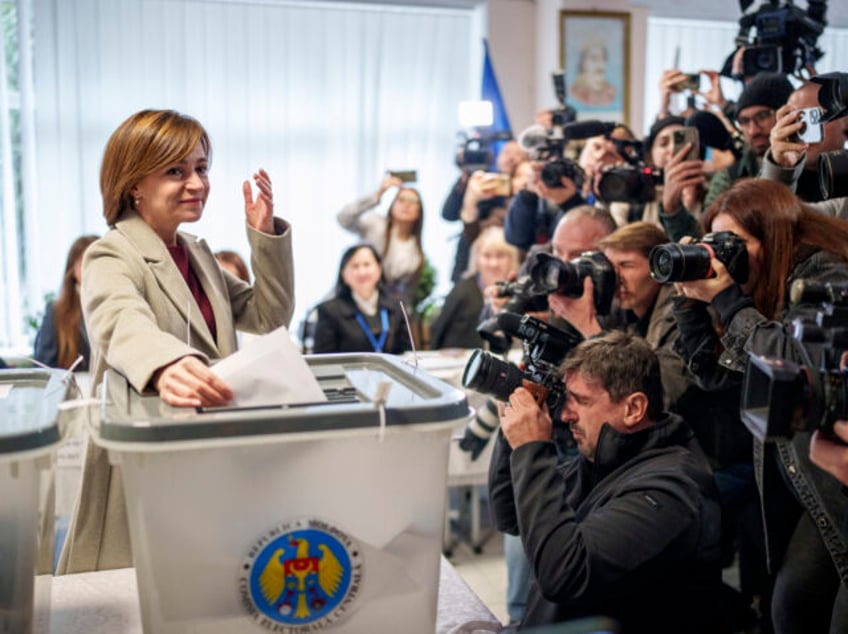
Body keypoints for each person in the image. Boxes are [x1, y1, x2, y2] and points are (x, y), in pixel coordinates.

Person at [58, 109, 294, 574]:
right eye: (175, 171)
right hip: (149, 465)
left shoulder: (199, 254)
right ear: (134, 184)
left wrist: (263, 235)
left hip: (209, 457)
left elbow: (269, 316)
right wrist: (167, 365)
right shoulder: (109, 253)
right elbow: (121, 320)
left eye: (202, 168)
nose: (197, 183)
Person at [673, 178, 848, 632]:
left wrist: (728, 301)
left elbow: (795, 361)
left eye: (735, 243)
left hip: (835, 480)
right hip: (804, 477)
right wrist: (691, 303)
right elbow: (716, 375)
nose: (722, 254)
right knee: (791, 605)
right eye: (715, 242)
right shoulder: (762, 289)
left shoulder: (822, 273)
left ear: (774, 237)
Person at [489, 331, 722, 631]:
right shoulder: (601, 462)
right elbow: (509, 515)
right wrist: (513, 435)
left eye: (580, 401)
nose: (565, 415)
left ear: (633, 408)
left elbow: (563, 575)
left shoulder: (671, 490)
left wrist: (531, 449)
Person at [337, 174, 426, 309]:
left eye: (413, 201)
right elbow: (344, 218)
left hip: (383, 307)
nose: (406, 205)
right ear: (392, 205)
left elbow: (405, 297)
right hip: (350, 298)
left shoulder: (415, 252)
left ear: (419, 211)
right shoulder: (376, 224)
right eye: (401, 200)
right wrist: (378, 194)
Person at [704, 72, 794, 207]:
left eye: (762, 116)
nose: (753, 131)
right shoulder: (730, 176)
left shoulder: (819, 165)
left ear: (787, 114)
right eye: (744, 121)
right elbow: (708, 226)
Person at [429, 227, 519, 350]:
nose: (493, 264)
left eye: (500, 256)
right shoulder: (462, 290)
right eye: (487, 256)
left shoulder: (520, 293)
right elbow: (439, 332)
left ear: (511, 259)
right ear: (477, 259)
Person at [312, 243, 411, 355]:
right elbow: (323, 361)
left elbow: (406, 354)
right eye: (355, 266)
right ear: (344, 275)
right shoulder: (329, 311)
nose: (362, 272)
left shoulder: (397, 307)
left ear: (379, 270)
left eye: (367, 264)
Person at [762, 81, 848, 203]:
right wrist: (781, 169)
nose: (801, 127)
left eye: (813, 117)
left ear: (845, 121)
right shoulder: (776, 173)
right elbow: (764, 217)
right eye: (794, 119)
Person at [33, 234, 98, 371]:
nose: (93, 270)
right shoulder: (56, 312)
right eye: (85, 263)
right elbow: (43, 370)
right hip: (74, 390)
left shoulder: (119, 306)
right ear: (73, 270)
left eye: (99, 263)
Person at [568, 40, 616, 108]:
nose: (600, 64)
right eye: (594, 59)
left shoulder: (610, 91)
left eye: (602, 58)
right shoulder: (574, 90)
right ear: (584, 63)